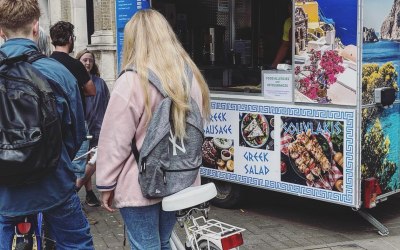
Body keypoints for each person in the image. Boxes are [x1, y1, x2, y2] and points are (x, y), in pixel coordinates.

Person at [96, 9, 211, 250]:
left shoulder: (131, 80)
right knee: (162, 241)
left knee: (147, 245)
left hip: (140, 183)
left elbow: (114, 140)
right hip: (181, 178)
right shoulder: (190, 77)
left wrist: (105, 183)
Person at [0, 0, 93, 249]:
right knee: (76, 242)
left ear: (1, 30)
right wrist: (58, 159)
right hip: (53, 184)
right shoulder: (58, 72)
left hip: (5, 190)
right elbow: (76, 133)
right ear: (36, 27)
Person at [49, 21, 96, 192]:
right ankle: (69, 198)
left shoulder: (44, 63)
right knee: (78, 166)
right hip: (75, 121)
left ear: (51, 39)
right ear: (70, 39)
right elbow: (91, 91)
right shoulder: (76, 65)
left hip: (52, 122)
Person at [75, 49, 110, 207]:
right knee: (85, 161)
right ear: (79, 62)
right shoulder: (75, 81)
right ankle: (85, 191)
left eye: (90, 60)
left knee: (95, 159)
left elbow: (108, 103)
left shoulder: (100, 82)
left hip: (99, 125)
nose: (88, 63)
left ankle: (81, 190)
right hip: (82, 126)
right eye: (84, 60)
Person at [271, 2, 292, 69]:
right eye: (290, 8)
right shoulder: (288, 22)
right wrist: (274, 64)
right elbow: (285, 45)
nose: (291, 10)